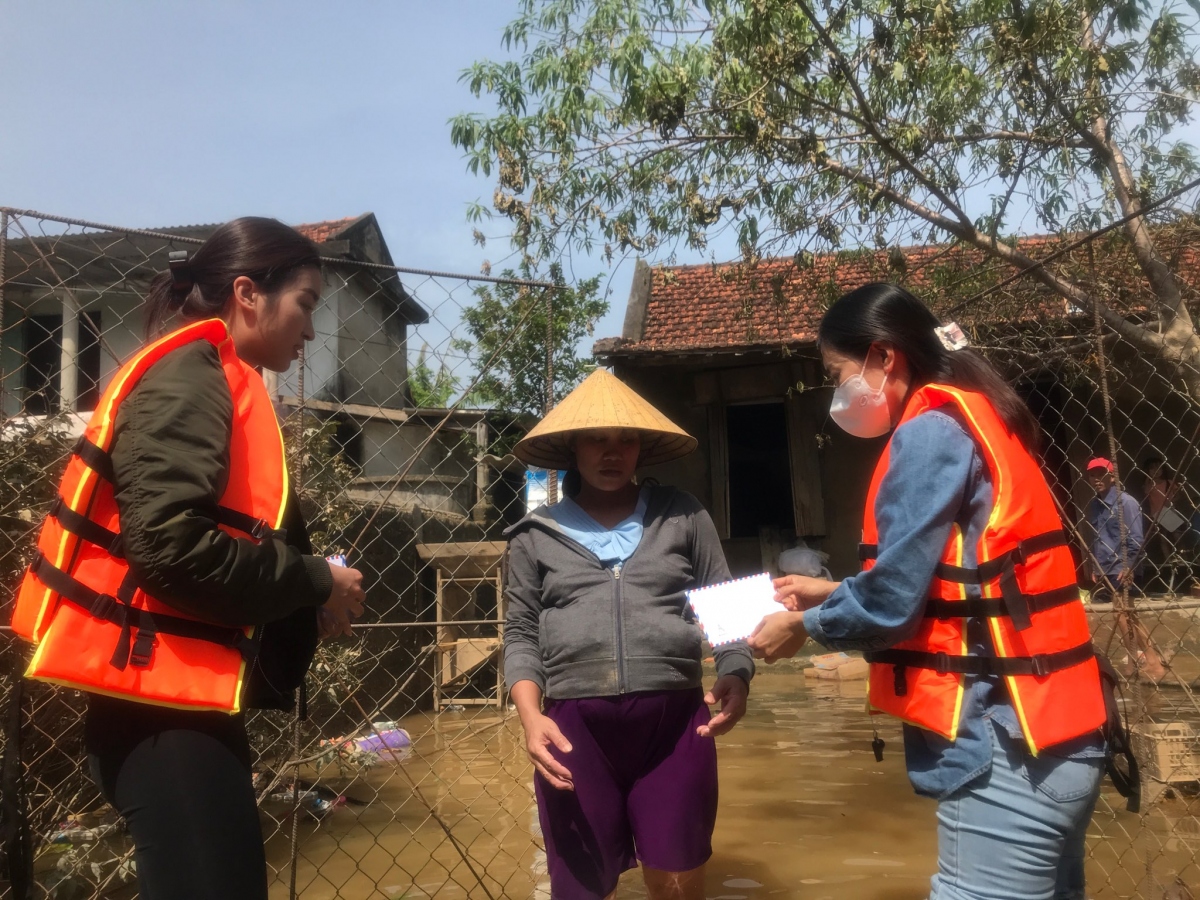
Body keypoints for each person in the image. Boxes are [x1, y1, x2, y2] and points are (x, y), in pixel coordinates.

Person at [9, 218, 366, 900]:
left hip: (178, 707)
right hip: (156, 721)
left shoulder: (217, 378)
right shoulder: (190, 378)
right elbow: (171, 551)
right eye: (307, 305)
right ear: (247, 293)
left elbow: (204, 551)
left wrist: (294, 603)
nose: (311, 331)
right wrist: (314, 579)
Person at [747, 283, 1108, 900]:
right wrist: (832, 590)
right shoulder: (984, 411)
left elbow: (891, 603)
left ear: (885, 358)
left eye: (838, 373)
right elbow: (959, 584)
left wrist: (802, 627)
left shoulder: (929, 433)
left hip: (1004, 745)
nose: (839, 392)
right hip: (1064, 733)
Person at [504, 369, 752, 900]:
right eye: (596, 439)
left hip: (675, 726)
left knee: (679, 880)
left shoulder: (684, 515)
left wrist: (736, 672)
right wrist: (530, 718)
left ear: (642, 448)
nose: (611, 453)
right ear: (573, 447)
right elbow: (521, 634)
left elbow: (725, 605)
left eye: (625, 439)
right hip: (574, 729)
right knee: (580, 888)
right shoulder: (533, 535)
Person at [1085, 457, 1144, 603]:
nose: (1096, 479)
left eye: (1101, 474)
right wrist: (1096, 567)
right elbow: (1098, 538)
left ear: (1112, 477)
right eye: (1092, 475)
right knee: (1120, 614)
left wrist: (1129, 566)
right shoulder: (1095, 504)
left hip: (1122, 568)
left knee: (1123, 613)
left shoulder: (1126, 502)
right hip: (1106, 568)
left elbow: (1136, 538)